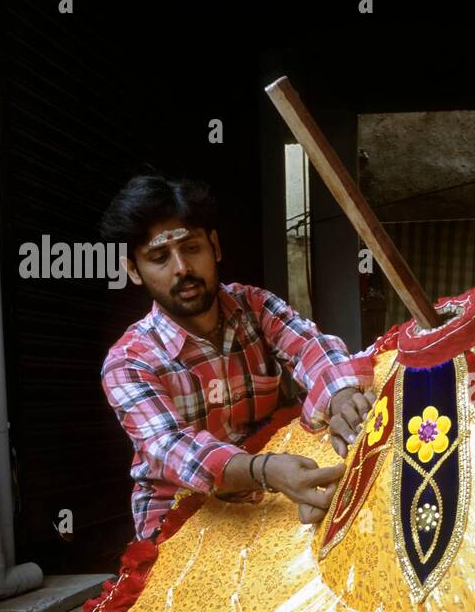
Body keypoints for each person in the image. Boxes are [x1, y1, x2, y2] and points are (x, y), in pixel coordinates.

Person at [99, 174, 374, 538]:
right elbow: (172, 450)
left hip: (273, 488)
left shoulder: (254, 307)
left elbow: (311, 347)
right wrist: (264, 470)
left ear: (214, 246)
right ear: (133, 271)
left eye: (191, 248)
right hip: (184, 512)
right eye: (159, 257)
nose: (181, 268)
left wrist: (342, 398)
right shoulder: (128, 363)